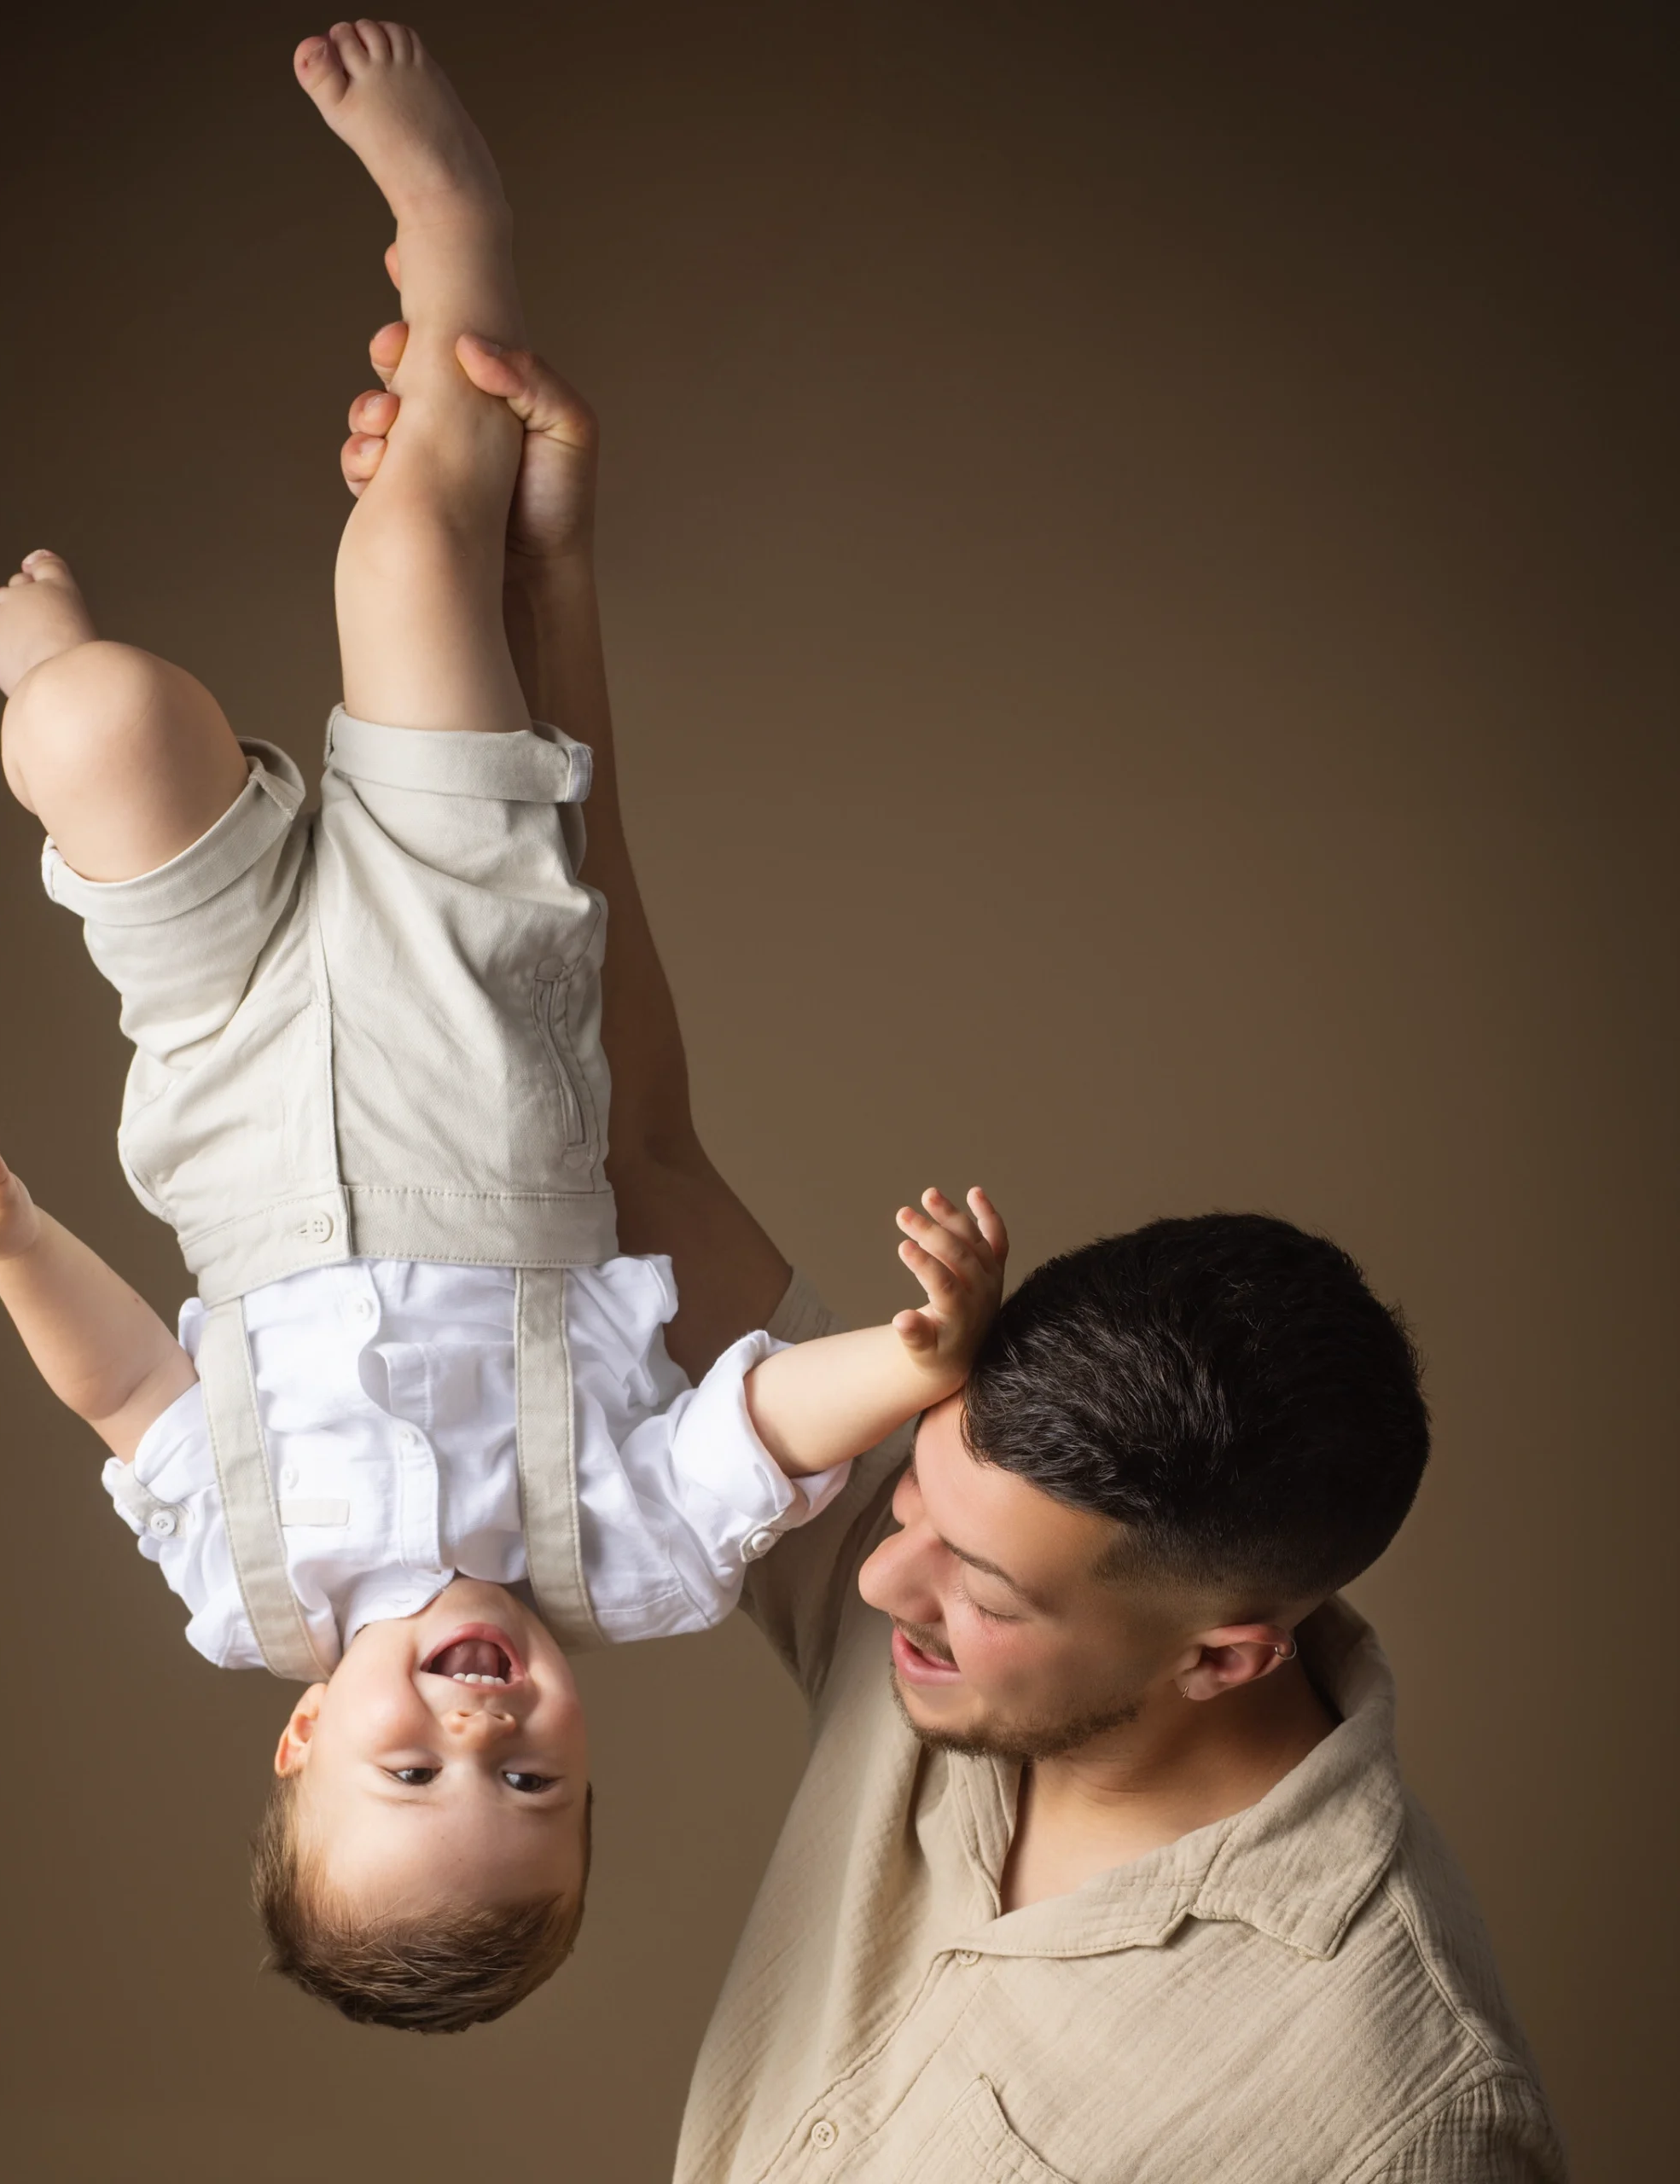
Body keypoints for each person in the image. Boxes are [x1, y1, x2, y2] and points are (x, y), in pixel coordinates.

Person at [340, 354, 1567, 2176]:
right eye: (911, 1486)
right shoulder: (944, 1589)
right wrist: (540, 587)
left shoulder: (1377, 2106)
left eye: (966, 1575)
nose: (874, 1564)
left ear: (1226, 1652)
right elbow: (630, 1138)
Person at [0, 23, 1005, 2036]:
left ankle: (62, 692)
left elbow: (128, 1394)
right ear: (589, 1768)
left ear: (298, 1727)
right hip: (469, 1024)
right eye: (534, 1782)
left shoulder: (240, 1585)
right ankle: (456, 234)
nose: (479, 1728)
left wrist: (11, 1247)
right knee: (408, 554)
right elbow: (761, 1422)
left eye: (409, 1768)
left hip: (227, 1062)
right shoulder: (630, 1560)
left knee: (90, 730)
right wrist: (914, 1353)